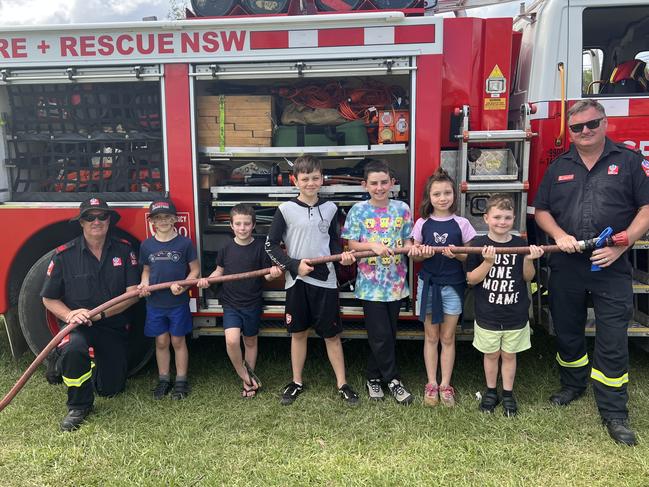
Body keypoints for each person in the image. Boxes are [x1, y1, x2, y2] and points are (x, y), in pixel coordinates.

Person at [534, 98, 649, 446]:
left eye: (591, 124)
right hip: (567, 264)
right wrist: (558, 236)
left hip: (610, 264)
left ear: (605, 123)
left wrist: (623, 243)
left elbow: (646, 208)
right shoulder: (559, 167)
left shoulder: (629, 162)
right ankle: (572, 384)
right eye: (577, 127)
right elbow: (541, 210)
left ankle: (614, 412)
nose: (585, 131)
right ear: (570, 131)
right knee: (567, 329)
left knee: (613, 338)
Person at [265, 156, 359, 406]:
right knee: (298, 333)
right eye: (305, 179)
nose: (310, 183)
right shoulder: (285, 209)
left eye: (315, 178)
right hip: (297, 281)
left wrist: (344, 259)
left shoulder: (330, 208)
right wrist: (294, 265)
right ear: (295, 180)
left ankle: (342, 383)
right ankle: (296, 381)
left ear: (322, 179)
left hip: (325, 281)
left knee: (332, 335)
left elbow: (335, 244)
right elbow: (271, 245)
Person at [41, 196, 140, 431]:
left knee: (111, 389)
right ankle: (78, 405)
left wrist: (101, 315)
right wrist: (69, 316)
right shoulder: (64, 255)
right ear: (81, 222)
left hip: (110, 325)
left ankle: (69, 362)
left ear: (109, 220)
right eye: (89, 217)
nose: (96, 221)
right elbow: (49, 298)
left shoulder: (124, 251)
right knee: (75, 348)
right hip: (78, 326)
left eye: (102, 216)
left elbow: (133, 294)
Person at [341, 159, 417, 405]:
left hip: (395, 284)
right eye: (374, 183)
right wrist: (372, 245)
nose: (379, 187)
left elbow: (408, 240)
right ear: (365, 185)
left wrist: (409, 248)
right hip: (370, 285)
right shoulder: (358, 211)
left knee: (387, 334)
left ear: (392, 183)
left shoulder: (402, 209)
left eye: (384, 182)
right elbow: (351, 244)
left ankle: (373, 377)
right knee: (380, 334)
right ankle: (393, 380)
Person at [466, 195, 543, 416]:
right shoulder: (478, 245)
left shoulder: (520, 244)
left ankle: (508, 393)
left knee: (509, 355)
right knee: (491, 355)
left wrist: (528, 259)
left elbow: (528, 278)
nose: (502, 221)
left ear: (513, 219)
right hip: (488, 313)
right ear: (486, 218)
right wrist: (488, 263)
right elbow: (471, 279)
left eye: (507, 217)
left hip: (515, 313)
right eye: (497, 217)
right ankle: (491, 391)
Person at [197, 204, 283, 398]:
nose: (242, 228)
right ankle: (242, 373)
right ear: (231, 225)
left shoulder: (260, 248)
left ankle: (249, 381)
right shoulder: (226, 248)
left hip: (252, 303)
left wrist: (273, 273)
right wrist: (207, 280)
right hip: (231, 304)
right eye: (238, 224)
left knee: (250, 342)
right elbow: (219, 271)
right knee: (232, 340)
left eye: (246, 224)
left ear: (253, 225)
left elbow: (266, 277)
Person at [409, 168, 476, 407]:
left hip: (452, 287)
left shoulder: (462, 223)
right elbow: (415, 256)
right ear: (429, 196)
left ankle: (446, 384)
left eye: (447, 192)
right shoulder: (422, 223)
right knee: (431, 336)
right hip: (428, 285)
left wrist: (458, 255)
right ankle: (431, 383)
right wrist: (421, 253)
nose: (442, 197)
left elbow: (470, 257)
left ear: (454, 195)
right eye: (437, 193)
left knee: (448, 337)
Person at [138, 198, 200, 400]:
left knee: (178, 340)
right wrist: (144, 284)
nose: (163, 221)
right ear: (152, 222)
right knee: (162, 341)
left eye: (167, 217)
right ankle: (164, 379)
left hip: (177, 304)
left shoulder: (184, 243)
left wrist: (184, 285)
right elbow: (146, 270)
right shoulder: (147, 245)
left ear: (174, 219)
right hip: (155, 304)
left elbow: (195, 271)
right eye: (158, 218)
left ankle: (181, 381)